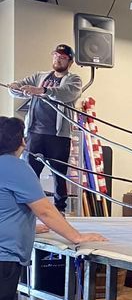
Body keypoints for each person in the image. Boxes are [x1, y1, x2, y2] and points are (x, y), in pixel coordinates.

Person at [0, 117, 107, 300]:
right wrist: (76, 236)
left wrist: (29, 227)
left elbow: (8, 209)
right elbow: (46, 209)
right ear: (20, 140)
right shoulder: (16, 167)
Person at [8, 44, 82, 214]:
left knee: (59, 176)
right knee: (29, 174)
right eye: (56, 55)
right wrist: (15, 87)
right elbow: (20, 88)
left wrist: (41, 90)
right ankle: (27, 209)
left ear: (70, 62)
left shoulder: (74, 80)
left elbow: (67, 93)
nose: (58, 59)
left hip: (58, 136)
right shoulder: (39, 76)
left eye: (63, 57)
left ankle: (59, 211)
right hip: (35, 133)